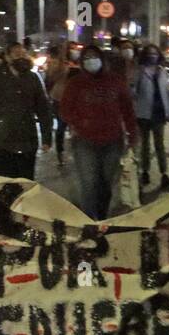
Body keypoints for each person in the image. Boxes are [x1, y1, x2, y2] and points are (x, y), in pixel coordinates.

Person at [59, 43, 137, 220]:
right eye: (86, 58)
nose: (90, 61)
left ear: (101, 59)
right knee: (89, 184)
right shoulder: (76, 83)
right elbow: (65, 110)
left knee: (106, 184)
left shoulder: (115, 82)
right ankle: (90, 222)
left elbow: (128, 110)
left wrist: (132, 134)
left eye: (94, 57)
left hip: (112, 141)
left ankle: (102, 218)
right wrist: (80, 122)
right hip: (85, 142)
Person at [0, 40, 52, 179]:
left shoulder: (33, 78)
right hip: (0, 143)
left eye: (23, 54)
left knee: (25, 184)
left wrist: (47, 138)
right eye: (17, 54)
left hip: (27, 140)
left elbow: (43, 108)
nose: (21, 57)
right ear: (8, 57)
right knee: (3, 184)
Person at [132, 44, 169, 189]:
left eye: (155, 53)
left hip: (159, 113)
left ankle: (164, 173)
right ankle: (145, 171)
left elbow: (168, 93)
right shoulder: (140, 71)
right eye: (150, 53)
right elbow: (133, 92)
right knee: (145, 145)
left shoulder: (162, 72)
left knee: (159, 145)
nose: (153, 56)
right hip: (143, 114)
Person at [43, 44, 71, 167]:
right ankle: (60, 153)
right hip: (60, 98)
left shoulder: (64, 63)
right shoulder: (55, 64)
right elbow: (49, 79)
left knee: (62, 126)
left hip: (64, 97)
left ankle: (61, 153)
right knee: (61, 126)